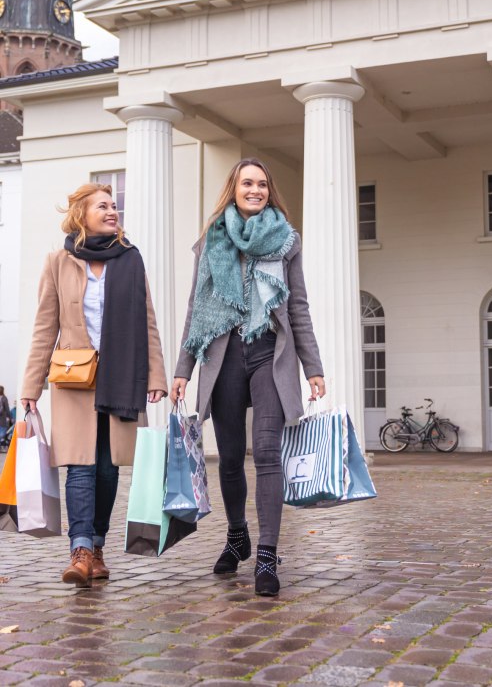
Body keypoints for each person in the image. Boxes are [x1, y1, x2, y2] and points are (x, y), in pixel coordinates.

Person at [171, 158, 325, 597]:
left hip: (269, 355)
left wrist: (313, 367)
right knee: (232, 457)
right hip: (223, 358)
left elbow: (298, 308)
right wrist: (184, 369)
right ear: (233, 189)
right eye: (247, 183)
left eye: (261, 184)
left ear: (269, 190)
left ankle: (268, 554)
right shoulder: (210, 242)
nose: (254, 190)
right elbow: (195, 311)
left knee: (267, 453)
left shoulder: (287, 242)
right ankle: (237, 535)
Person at [21, 183, 167, 587]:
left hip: (122, 376)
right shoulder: (58, 262)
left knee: (107, 468)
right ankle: (80, 549)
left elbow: (147, 323)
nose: (112, 211)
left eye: (114, 206)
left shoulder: (131, 260)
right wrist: (30, 387)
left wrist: (156, 375)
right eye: (102, 206)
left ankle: (97, 546)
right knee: (80, 466)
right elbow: (43, 327)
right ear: (81, 214)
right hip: (73, 378)